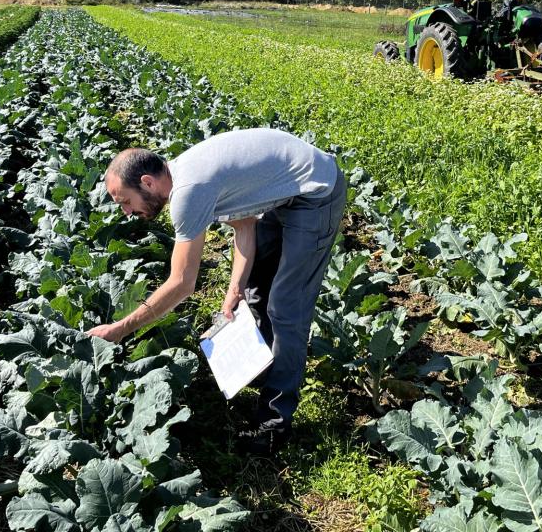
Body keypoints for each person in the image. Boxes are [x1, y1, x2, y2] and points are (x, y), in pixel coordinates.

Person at [87, 128, 347, 454]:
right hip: (289, 191)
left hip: (317, 193)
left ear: (147, 183)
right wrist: (235, 287)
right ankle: (265, 366)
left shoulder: (189, 192)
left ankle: (273, 425)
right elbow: (245, 225)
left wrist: (119, 329)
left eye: (125, 201)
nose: (126, 212)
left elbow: (181, 283)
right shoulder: (187, 176)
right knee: (253, 288)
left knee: (286, 306)